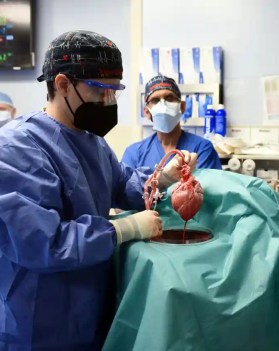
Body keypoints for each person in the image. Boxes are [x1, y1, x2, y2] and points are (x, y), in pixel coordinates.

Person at [0, 30, 196, 350]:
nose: (108, 101)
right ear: (63, 84)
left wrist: (161, 179)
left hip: (90, 310)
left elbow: (120, 184)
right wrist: (125, 228)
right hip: (40, 320)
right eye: (99, 90)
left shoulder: (93, 141)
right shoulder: (17, 148)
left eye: (114, 91)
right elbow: (41, 242)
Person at [122, 74, 222, 171]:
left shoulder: (201, 148)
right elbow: (126, 186)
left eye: (169, 98)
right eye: (155, 100)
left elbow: (205, 186)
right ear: (147, 112)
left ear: (182, 107)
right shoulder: (134, 153)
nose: (163, 105)